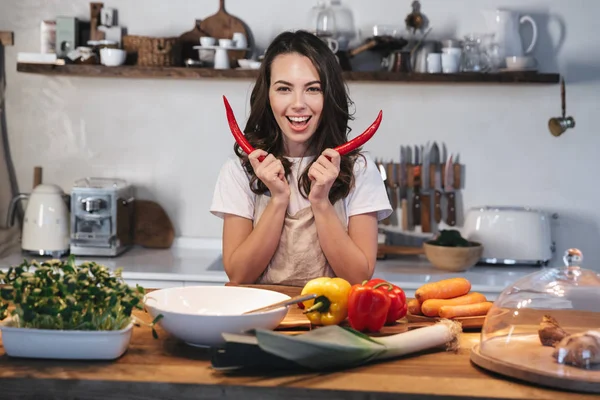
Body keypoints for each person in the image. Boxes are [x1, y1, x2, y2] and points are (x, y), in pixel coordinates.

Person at [210, 30, 392, 286]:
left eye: (313, 89)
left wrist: (320, 202)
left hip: (334, 324)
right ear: (268, 96)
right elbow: (239, 275)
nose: (298, 104)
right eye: (284, 88)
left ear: (329, 96)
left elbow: (358, 277)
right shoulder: (239, 171)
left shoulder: (360, 170)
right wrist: (278, 199)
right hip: (261, 320)